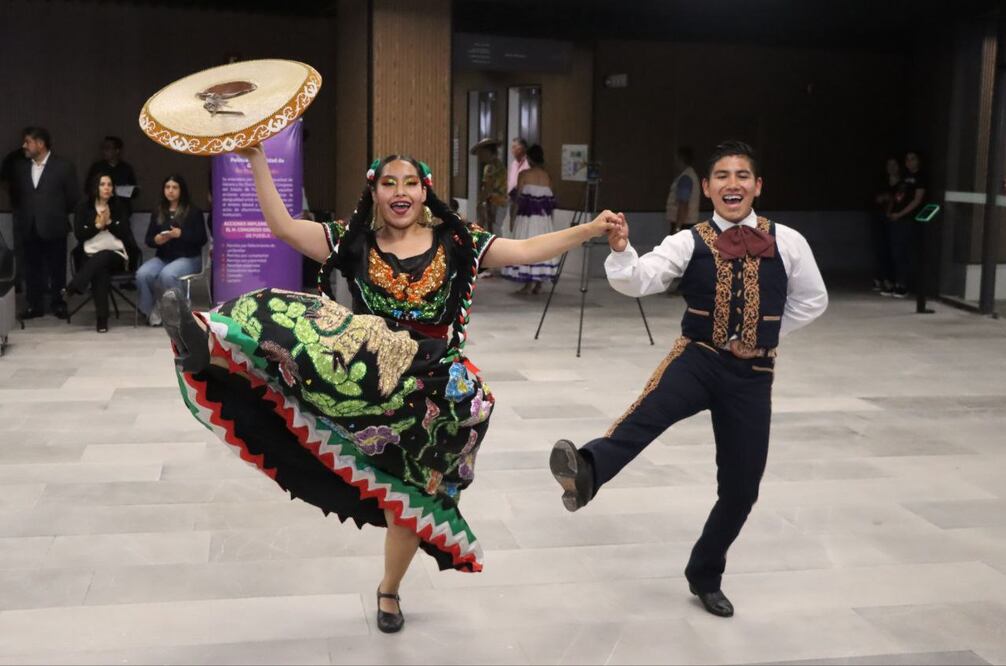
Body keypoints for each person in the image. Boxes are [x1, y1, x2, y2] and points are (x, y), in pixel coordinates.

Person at [159, 146, 620, 634]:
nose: (401, 192)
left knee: (409, 502)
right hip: (367, 374)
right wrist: (256, 158)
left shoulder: (458, 241)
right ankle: (208, 344)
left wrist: (589, 229)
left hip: (432, 391)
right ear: (374, 192)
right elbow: (284, 228)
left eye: (410, 183)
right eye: (389, 183)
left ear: (425, 192)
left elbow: (525, 250)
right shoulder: (353, 241)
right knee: (292, 313)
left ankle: (389, 590)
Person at [548, 141, 828, 619]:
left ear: (758, 186)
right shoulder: (688, 240)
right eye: (722, 176)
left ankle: (705, 574)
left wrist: (763, 335)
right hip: (698, 359)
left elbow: (812, 300)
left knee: (742, 488)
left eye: (742, 175)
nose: (733, 184)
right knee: (643, 419)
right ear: (707, 187)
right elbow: (640, 279)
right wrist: (621, 250)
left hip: (753, 375)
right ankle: (587, 471)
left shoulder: (788, 241)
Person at [10, 127, 79, 320]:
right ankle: (34, 305)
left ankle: (58, 303)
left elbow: (73, 197)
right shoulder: (21, 168)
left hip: (54, 225)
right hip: (28, 225)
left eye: (28, 142)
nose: (24, 146)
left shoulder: (63, 166)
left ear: (40, 144)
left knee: (57, 268)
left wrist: (54, 212)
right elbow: (17, 196)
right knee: (31, 268)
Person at [65, 173, 140, 332]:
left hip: (116, 255)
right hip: (90, 255)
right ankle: (102, 320)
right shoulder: (83, 207)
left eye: (109, 185)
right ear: (95, 188)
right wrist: (97, 227)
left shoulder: (119, 206)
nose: (106, 188)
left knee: (104, 255)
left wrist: (110, 222)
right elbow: (80, 234)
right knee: (100, 270)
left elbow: (125, 233)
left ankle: (74, 285)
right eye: (102, 184)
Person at [137, 174, 206, 324]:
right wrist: (157, 240)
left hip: (189, 257)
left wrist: (181, 234)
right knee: (143, 274)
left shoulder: (193, 211)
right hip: (164, 257)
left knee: (167, 274)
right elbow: (149, 239)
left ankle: (178, 313)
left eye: (175, 187)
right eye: (167, 187)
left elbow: (202, 239)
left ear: (182, 190)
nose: (170, 191)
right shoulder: (159, 211)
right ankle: (150, 311)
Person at [501, 144, 558, 294]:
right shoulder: (547, 176)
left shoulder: (524, 174)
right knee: (542, 248)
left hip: (527, 218)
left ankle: (527, 284)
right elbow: (551, 202)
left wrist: (512, 218)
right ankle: (538, 283)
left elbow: (518, 199)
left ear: (529, 158)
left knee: (526, 246)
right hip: (544, 220)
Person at [885, 150, 926, 298]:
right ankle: (896, 282)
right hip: (896, 218)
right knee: (895, 252)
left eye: (912, 159)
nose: (909, 162)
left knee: (905, 252)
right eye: (907, 159)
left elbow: (917, 200)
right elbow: (895, 195)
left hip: (908, 219)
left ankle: (903, 284)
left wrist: (901, 214)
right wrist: (890, 211)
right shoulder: (904, 177)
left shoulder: (920, 177)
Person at [85, 136, 138, 217]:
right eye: (103, 148)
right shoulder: (97, 168)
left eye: (108, 148)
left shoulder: (126, 168)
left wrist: (124, 190)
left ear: (117, 151)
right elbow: (87, 188)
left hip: (121, 212)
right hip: (101, 212)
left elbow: (134, 192)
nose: (104, 151)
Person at [872, 156, 900, 294]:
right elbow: (876, 199)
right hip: (881, 218)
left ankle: (892, 280)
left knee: (894, 250)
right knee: (881, 249)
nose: (891, 167)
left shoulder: (902, 183)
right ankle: (882, 278)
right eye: (889, 165)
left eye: (894, 164)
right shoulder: (881, 182)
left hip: (895, 219)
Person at [470, 138, 506, 240]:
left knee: (492, 231)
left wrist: (479, 202)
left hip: (493, 204)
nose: (480, 156)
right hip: (501, 203)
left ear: (487, 151)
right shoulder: (499, 164)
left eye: (481, 152)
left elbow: (488, 189)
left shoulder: (490, 167)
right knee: (496, 229)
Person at [666, 146, 700, 235]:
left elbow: (683, 204)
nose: (674, 162)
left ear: (680, 159)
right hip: (686, 224)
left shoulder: (685, 178)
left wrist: (677, 228)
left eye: (676, 159)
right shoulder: (689, 175)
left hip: (683, 225)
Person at [507, 137, 531, 232]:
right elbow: (510, 180)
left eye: (514, 147)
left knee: (522, 227)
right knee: (513, 225)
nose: (512, 150)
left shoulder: (528, 163)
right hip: (512, 199)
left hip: (524, 199)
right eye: (512, 147)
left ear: (522, 148)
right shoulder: (513, 164)